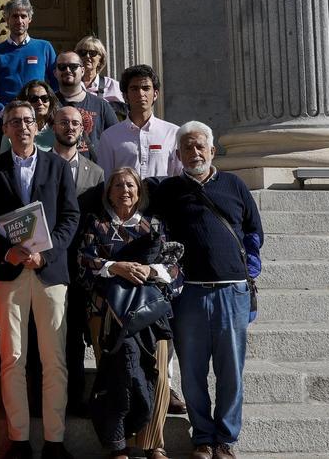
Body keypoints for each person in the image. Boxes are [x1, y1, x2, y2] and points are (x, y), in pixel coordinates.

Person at [0, 101, 80, 459]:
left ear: (39, 126)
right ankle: (18, 440)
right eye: (15, 122)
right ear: (5, 129)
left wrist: (45, 255)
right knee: (12, 358)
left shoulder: (57, 166)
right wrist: (8, 252)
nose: (23, 127)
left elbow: (70, 217)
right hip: (10, 272)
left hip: (50, 274)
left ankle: (54, 441)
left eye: (29, 121)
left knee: (54, 360)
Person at [148, 122, 263, 459]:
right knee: (193, 371)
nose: (194, 152)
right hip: (189, 295)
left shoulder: (234, 184)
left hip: (232, 291)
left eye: (200, 146)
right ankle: (202, 438)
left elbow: (254, 232)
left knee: (231, 372)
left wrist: (247, 270)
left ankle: (225, 440)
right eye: (187, 147)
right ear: (178, 154)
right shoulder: (168, 190)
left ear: (212, 150)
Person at [79, 167, 181, 459]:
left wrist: (150, 270)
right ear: (109, 193)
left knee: (156, 374)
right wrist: (116, 267)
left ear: (139, 192)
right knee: (117, 376)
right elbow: (83, 262)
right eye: (118, 185)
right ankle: (118, 443)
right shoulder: (97, 224)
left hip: (149, 314)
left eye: (131, 185)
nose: (125, 190)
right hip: (107, 313)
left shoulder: (155, 224)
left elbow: (175, 268)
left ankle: (153, 443)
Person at [48, 105, 104, 418]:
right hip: (49, 260)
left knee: (76, 334)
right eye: (63, 122)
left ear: (82, 130)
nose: (69, 128)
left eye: (75, 124)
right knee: (48, 333)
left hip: (81, 264)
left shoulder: (95, 173)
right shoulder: (41, 163)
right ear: (52, 126)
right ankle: (43, 397)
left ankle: (75, 398)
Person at [96, 65, 182, 178]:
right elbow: (105, 179)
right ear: (125, 96)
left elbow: (180, 176)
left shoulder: (173, 133)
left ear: (155, 94)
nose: (141, 94)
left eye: (146, 88)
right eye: (134, 89)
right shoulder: (110, 137)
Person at [0, 0, 58, 113]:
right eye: (15, 16)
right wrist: (1, 111)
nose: (19, 21)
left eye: (23, 16)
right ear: (6, 19)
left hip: (38, 115)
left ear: (30, 19)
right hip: (9, 116)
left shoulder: (44, 48)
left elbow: (56, 83)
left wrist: (48, 109)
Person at [53, 50, 117, 156]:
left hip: (92, 165)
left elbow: (117, 139)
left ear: (82, 71)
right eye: (62, 67)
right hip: (56, 164)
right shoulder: (47, 104)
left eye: (73, 66)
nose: (68, 70)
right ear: (55, 73)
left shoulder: (101, 105)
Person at [0, 80, 57, 153]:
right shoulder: (12, 131)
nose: (40, 102)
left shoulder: (58, 128)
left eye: (44, 98)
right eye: (33, 99)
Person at [75, 35, 125, 111]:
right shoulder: (70, 84)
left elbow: (122, 114)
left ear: (100, 60)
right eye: (82, 53)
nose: (87, 56)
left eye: (92, 53)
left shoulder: (112, 85)